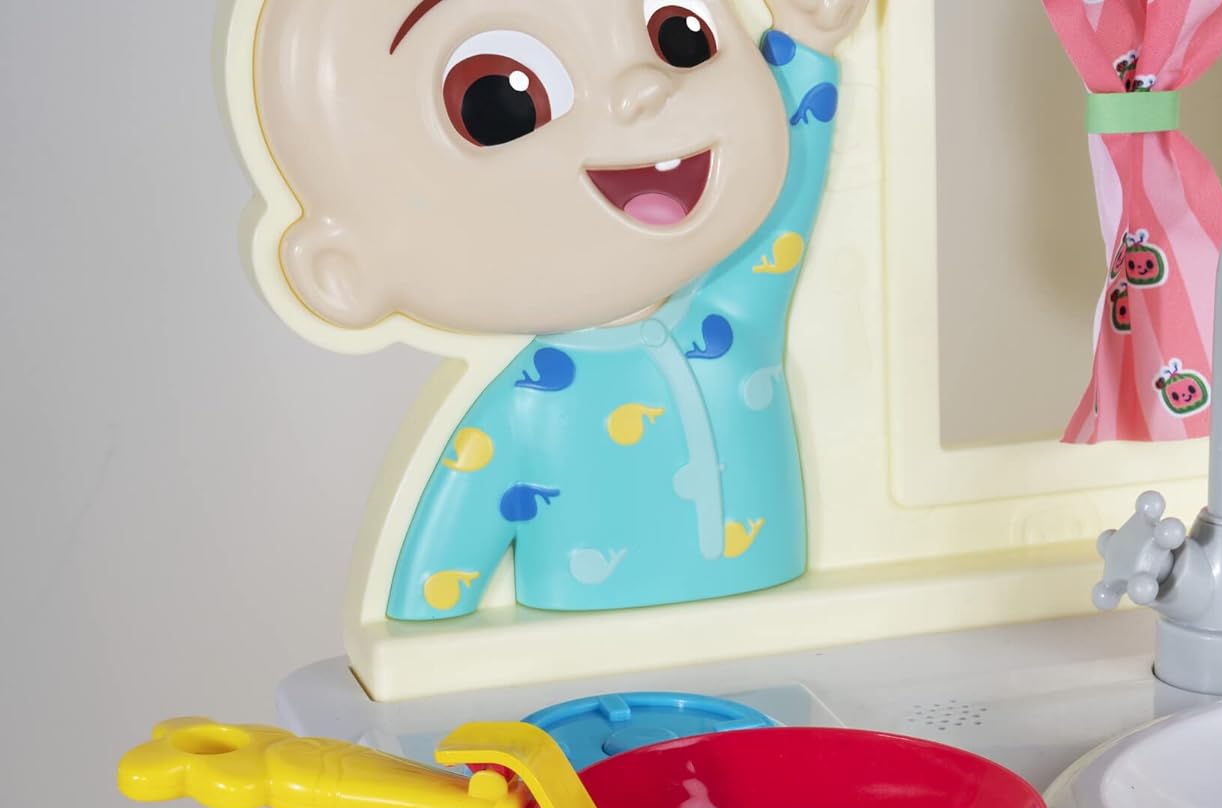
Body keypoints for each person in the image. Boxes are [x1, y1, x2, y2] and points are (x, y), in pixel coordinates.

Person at [251, 0, 871, 620]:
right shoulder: (529, 405)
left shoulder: (730, 320)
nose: (642, 87)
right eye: (501, 98)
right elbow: (439, 579)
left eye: (679, 34)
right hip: (587, 650)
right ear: (342, 272)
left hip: (786, 627)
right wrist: (427, 655)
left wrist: (806, 44)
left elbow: (788, 194)